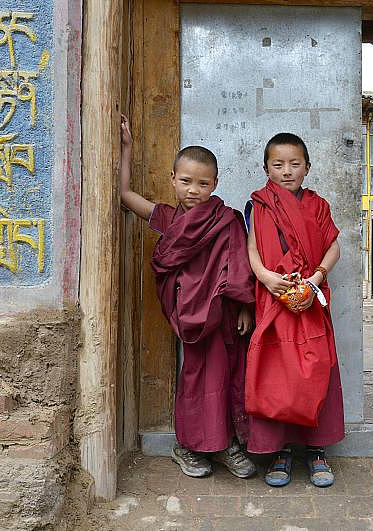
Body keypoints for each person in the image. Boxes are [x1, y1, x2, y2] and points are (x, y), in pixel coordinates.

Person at [119, 114, 257, 479]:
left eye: (202, 183)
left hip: (225, 313)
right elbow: (125, 196)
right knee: (196, 377)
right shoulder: (167, 217)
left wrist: (245, 306)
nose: (193, 190)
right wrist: (127, 150)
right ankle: (188, 446)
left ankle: (227, 444)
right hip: (192, 315)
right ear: (172, 179)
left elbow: (238, 261)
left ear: (215, 184)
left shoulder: (226, 219)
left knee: (230, 376)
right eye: (185, 181)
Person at [245, 132, 344, 488]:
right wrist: (266, 278)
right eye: (278, 164)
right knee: (278, 375)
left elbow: (333, 247)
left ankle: (317, 450)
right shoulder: (258, 205)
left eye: (294, 164)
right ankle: (281, 450)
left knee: (316, 369)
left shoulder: (318, 206)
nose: (286, 171)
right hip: (274, 297)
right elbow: (252, 248)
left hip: (309, 298)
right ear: (266, 168)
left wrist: (316, 279)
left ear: (307, 167)